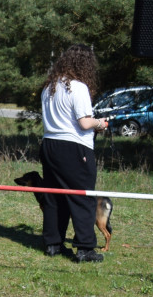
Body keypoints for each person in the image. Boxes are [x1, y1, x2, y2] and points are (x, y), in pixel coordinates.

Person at [39, 44, 109, 263]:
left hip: (49, 145)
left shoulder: (49, 86)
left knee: (53, 197)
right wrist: (101, 123)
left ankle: (53, 244)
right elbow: (84, 122)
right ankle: (85, 248)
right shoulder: (78, 87)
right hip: (74, 147)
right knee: (83, 197)